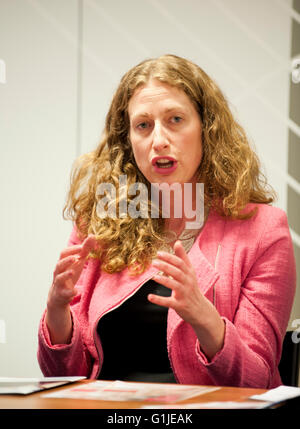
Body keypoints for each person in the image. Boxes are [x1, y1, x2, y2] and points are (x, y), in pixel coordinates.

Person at [37, 54, 296, 388]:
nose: (158, 139)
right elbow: (60, 377)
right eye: (143, 125)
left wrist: (204, 319)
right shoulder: (100, 223)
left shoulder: (263, 230)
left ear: (207, 128)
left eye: (175, 119)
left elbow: (256, 379)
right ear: (128, 141)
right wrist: (57, 312)